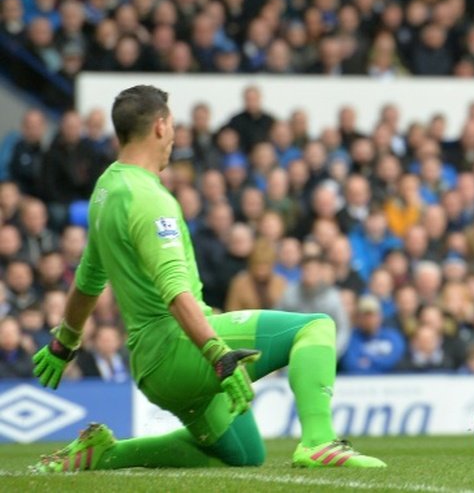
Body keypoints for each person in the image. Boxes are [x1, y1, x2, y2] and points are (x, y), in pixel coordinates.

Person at [30, 85, 385, 472]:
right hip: (184, 351)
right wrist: (219, 356)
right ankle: (319, 442)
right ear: (162, 126)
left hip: (151, 369)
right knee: (316, 327)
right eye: (174, 127)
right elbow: (174, 292)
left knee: (246, 454)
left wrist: (65, 342)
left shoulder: (106, 189)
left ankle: (105, 453)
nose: (175, 138)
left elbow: (88, 280)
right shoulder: (150, 200)